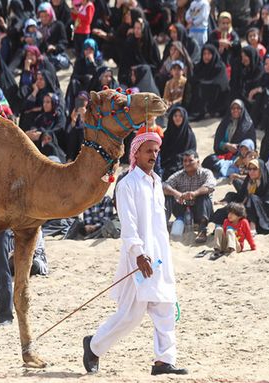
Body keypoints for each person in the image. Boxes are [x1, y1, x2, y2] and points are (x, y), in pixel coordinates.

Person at [82, 132, 188, 376]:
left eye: (156, 151)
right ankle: (94, 346)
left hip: (160, 258)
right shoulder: (127, 184)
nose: (154, 155)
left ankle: (163, 362)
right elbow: (128, 225)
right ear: (136, 153)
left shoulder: (157, 183)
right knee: (130, 315)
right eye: (149, 150)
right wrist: (139, 254)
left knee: (166, 308)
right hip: (137, 259)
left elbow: (159, 226)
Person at [212, 159, 269, 235]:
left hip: (267, 215)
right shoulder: (249, 180)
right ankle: (220, 226)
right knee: (230, 203)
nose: (251, 172)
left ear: (261, 169)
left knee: (252, 198)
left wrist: (251, 198)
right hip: (249, 208)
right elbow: (241, 197)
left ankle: (253, 226)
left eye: (255, 169)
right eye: (249, 169)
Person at [163, 150, 216, 243]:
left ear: (198, 162)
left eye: (190, 160)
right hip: (184, 210)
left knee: (203, 196)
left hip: (202, 211)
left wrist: (194, 193)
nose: (187, 163)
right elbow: (164, 185)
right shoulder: (179, 175)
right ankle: (162, 226)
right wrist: (177, 193)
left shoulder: (206, 173)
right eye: (185, 161)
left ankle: (202, 230)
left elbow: (211, 185)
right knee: (168, 196)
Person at [201, 99, 256, 177]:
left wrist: (239, 147)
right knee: (209, 160)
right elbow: (217, 142)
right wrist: (227, 145)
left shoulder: (248, 125)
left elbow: (251, 144)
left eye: (238, 108)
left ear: (242, 109)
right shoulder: (225, 122)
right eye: (233, 108)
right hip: (225, 154)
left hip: (241, 156)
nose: (235, 110)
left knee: (243, 163)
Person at [188, 44, 230, 121]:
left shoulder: (219, 66)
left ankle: (209, 111)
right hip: (203, 91)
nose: (206, 56)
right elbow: (194, 78)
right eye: (204, 54)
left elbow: (220, 83)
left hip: (217, 95)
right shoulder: (200, 66)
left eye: (209, 54)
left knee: (203, 87)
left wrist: (203, 83)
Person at [160, 106, 196, 180]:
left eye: (180, 116)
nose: (177, 118)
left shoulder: (188, 134)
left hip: (183, 163)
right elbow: (162, 151)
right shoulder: (167, 133)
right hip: (167, 163)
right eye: (175, 116)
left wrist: (178, 158)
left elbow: (191, 151)